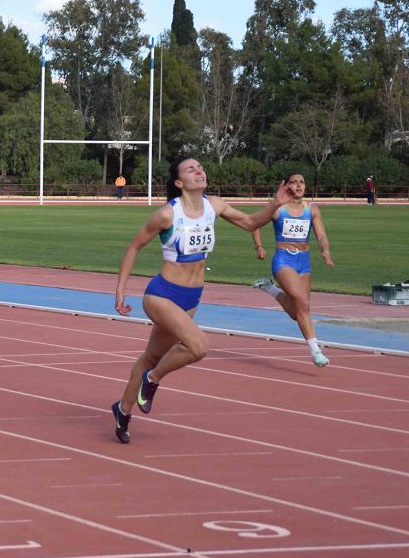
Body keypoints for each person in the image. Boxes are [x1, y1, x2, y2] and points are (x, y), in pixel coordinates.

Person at [110, 156, 290, 444]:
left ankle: (123, 410)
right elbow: (134, 247)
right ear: (179, 182)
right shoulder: (167, 214)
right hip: (162, 294)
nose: (199, 170)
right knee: (198, 346)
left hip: (191, 297)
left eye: (200, 167)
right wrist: (120, 291)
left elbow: (250, 222)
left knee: (151, 357)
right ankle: (152, 380)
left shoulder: (214, 205)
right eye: (190, 169)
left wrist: (275, 204)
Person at [250, 173, 334, 366]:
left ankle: (270, 289)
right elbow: (255, 224)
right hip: (283, 260)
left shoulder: (311, 209)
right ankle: (316, 351)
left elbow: (321, 235)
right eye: (293, 182)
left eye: (302, 182)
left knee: (298, 311)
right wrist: (259, 246)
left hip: (304, 261)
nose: (298, 185)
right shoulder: (278, 208)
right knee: (302, 303)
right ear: (286, 186)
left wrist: (326, 251)